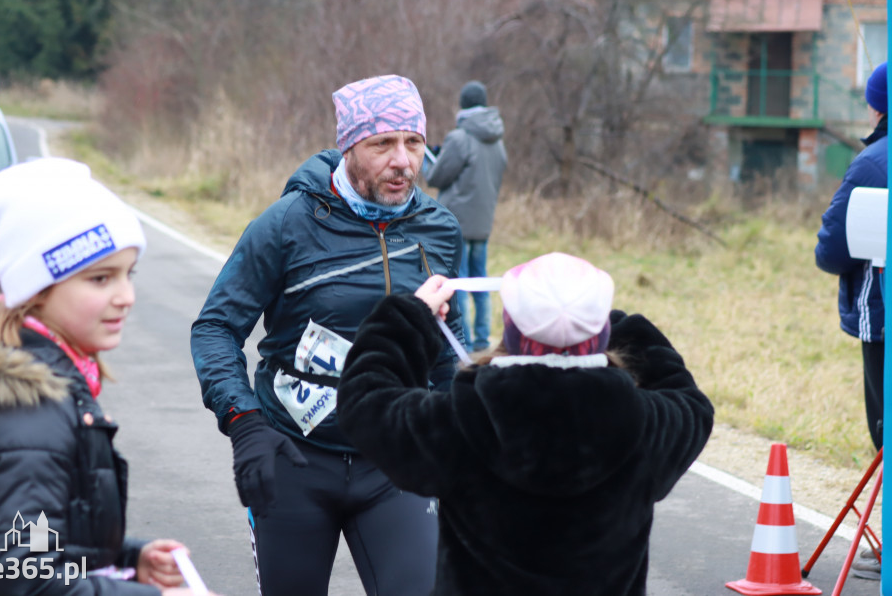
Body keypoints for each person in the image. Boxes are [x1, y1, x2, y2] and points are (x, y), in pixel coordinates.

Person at [0, 158, 209, 596]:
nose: (126, 297)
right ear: (36, 289)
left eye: (128, 275)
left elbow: (36, 539)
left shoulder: (37, 381)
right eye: (99, 278)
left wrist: (129, 559)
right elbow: (23, 579)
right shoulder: (26, 414)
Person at [190, 74, 465, 596]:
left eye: (414, 142)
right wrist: (244, 421)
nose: (404, 161)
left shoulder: (439, 228)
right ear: (348, 147)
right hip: (295, 458)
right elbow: (215, 328)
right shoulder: (287, 224)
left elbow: (445, 346)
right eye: (382, 143)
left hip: (395, 458)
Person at [337, 252, 715, 596]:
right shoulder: (647, 425)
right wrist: (612, 321)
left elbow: (365, 399)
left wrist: (410, 316)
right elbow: (689, 400)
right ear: (600, 331)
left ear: (510, 326)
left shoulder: (460, 421)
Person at [815, 60, 888, 580]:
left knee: (886, 431)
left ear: (878, 103)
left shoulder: (872, 164)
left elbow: (833, 248)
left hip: (883, 319)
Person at [425, 79, 507, 351]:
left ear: (463, 105)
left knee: (457, 285)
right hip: (482, 224)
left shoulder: (459, 138)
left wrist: (432, 158)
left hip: (456, 224)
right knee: (481, 282)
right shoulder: (498, 143)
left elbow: (436, 177)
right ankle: (483, 341)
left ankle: (465, 344)